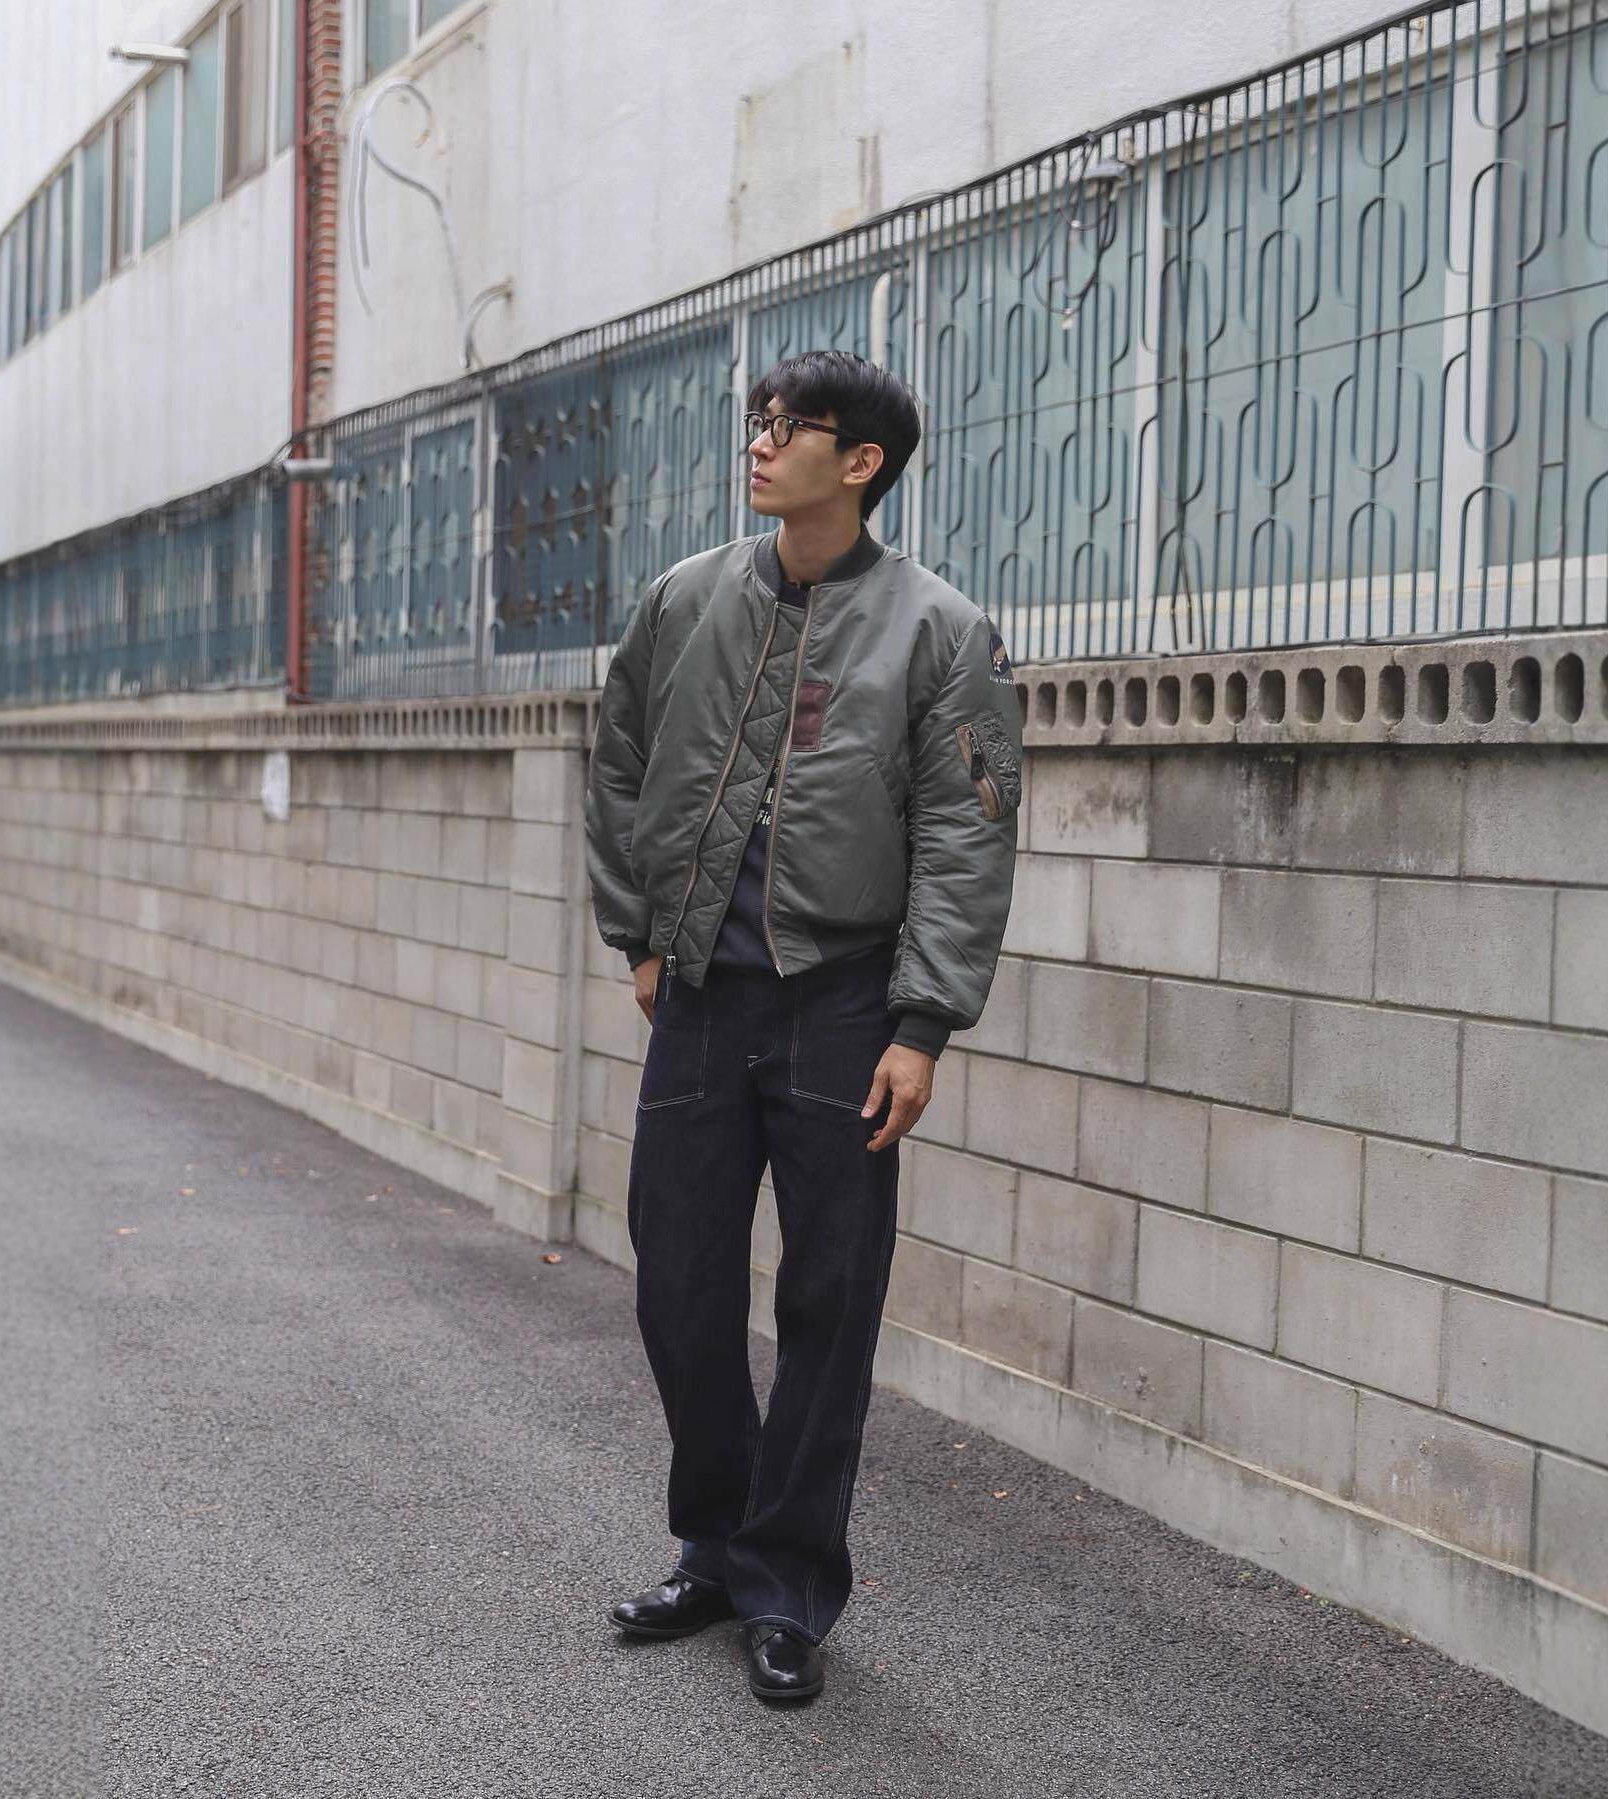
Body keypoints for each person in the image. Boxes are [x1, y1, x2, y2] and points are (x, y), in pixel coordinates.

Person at [583, 348, 1022, 1703]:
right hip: (703, 999)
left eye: (793, 426)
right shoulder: (686, 599)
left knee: (829, 1300)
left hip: (844, 1004)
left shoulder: (939, 631)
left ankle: (786, 1585)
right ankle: (715, 1548)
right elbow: (621, 759)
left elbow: (966, 833)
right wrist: (642, 934)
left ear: (863, 462)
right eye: (758, 420)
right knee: (679, 1282)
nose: (762, 442)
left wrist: (922, 1025)